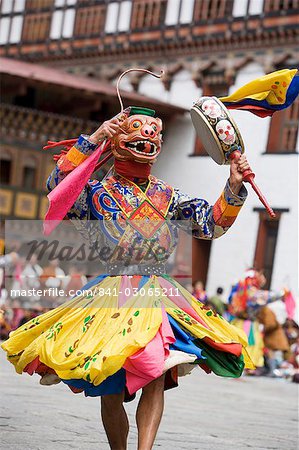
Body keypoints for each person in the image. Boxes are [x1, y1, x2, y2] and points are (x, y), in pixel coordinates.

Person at [2, 106, 253, 450]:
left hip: (158, 291)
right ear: (117, 139)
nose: (147, 136)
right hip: (110, 293)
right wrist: (94, 139)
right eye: (136, 129)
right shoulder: (92, 194)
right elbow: (56, 186)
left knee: (157, 371)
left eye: (153, 131)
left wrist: (234, 186)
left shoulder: (169, 195)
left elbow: (211, 224)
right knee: (111, 384)